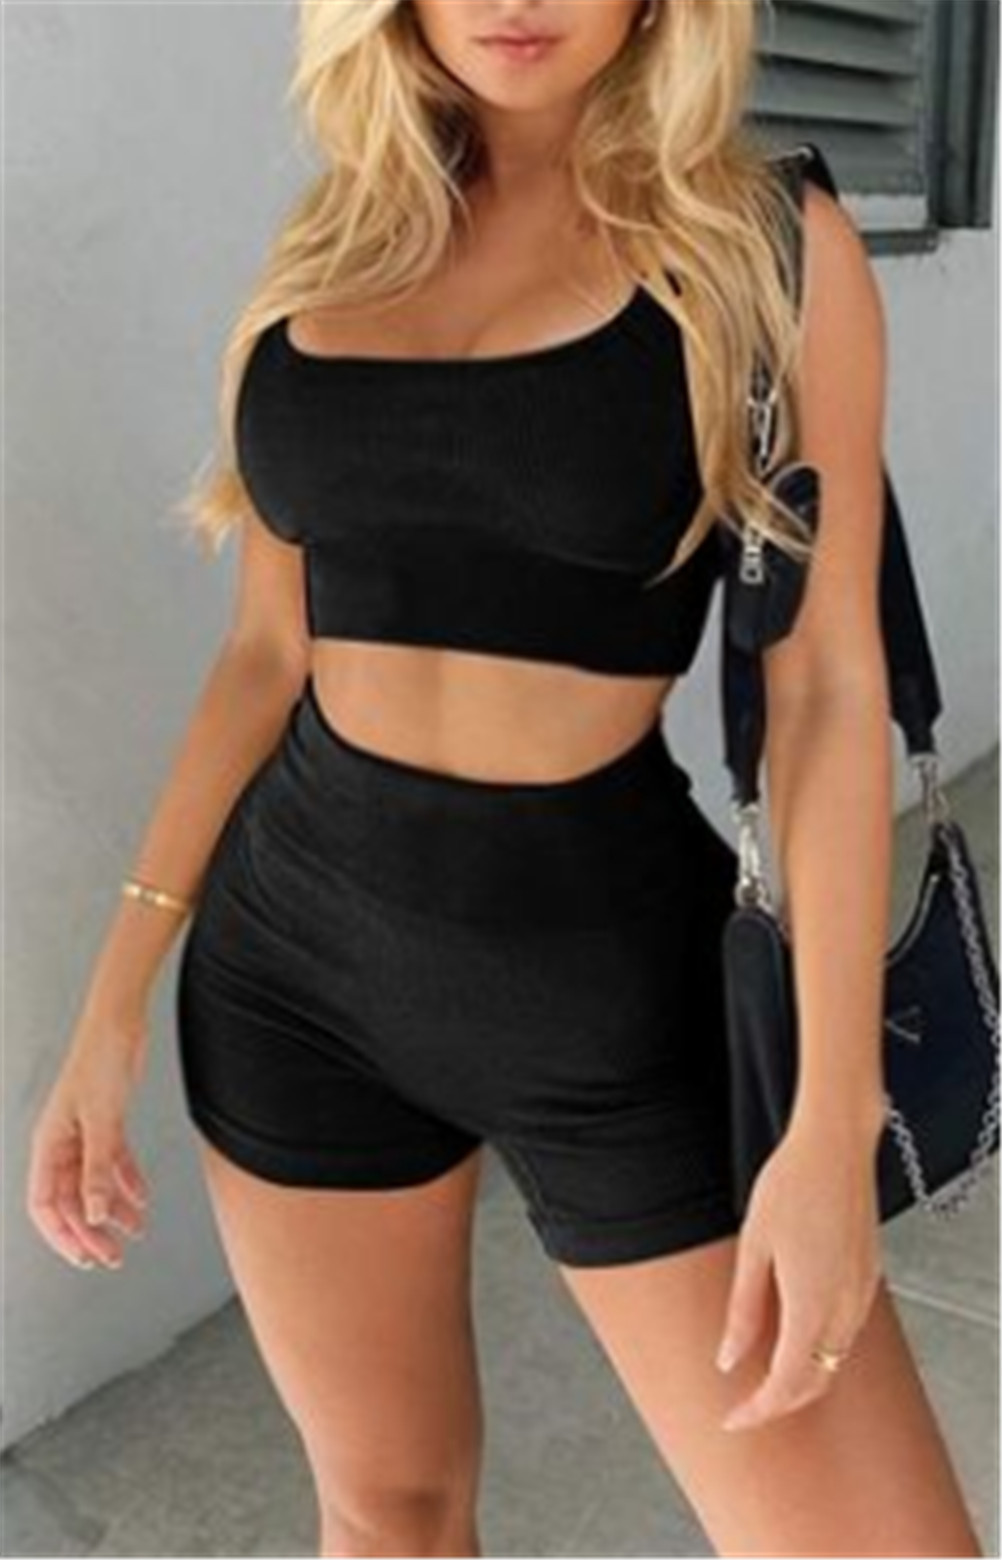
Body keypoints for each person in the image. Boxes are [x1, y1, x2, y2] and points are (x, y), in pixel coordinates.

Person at [27, 2, 985, 1555]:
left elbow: (822, 688)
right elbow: (267, 656)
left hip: (609, 990)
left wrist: (826, 1118)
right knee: (387, 1514)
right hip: (291, 982)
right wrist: (111, 1005)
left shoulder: (759, 243)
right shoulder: (340, 238)